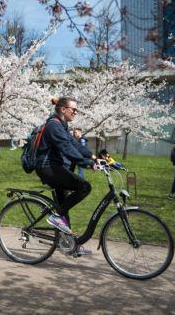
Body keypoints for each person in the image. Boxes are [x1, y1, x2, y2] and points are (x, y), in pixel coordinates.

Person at [35, 97, 97, 254]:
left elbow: (74, 145)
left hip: (54, 167)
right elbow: (65, 148)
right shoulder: (53, 126)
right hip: (47, 167)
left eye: (76, 110)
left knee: (64, 207)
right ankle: (57, 217)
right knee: (84, 186)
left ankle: (70, 244)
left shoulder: (61, 125)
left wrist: (94, 157)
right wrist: (86, 164)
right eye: (73, 109)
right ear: (63, 109)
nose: (76, 112)